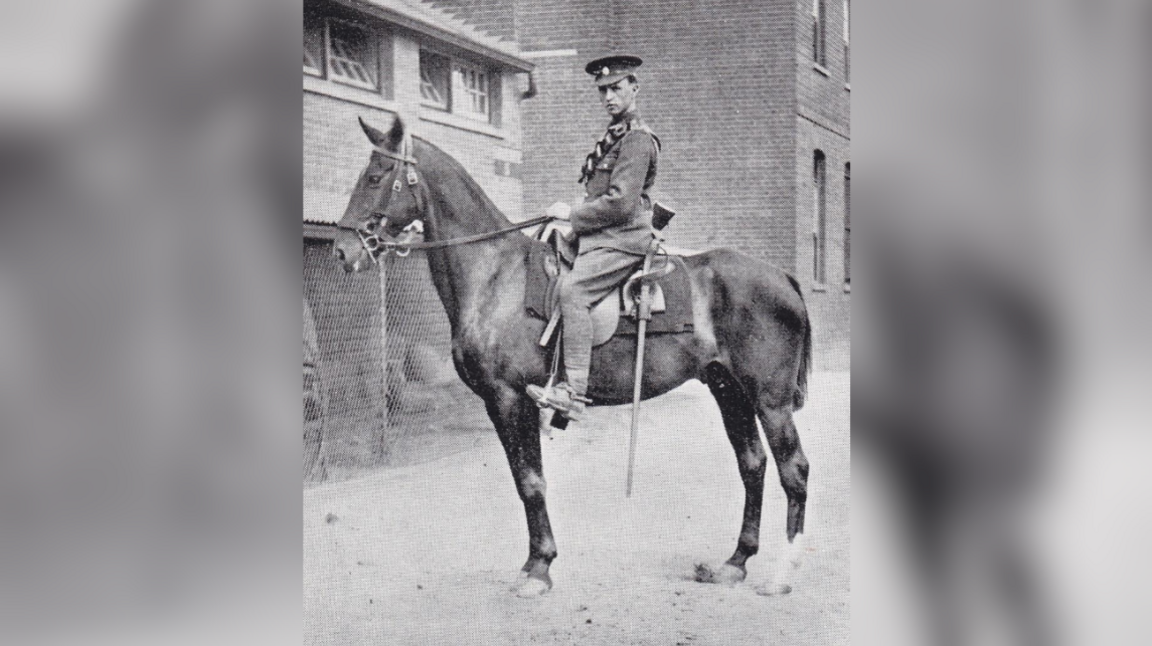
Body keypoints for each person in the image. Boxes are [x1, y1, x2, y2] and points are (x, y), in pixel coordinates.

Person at [527, 55, 661, 421]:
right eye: (603, 90)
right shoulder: (615, 135)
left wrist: (572, 214)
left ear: (634, 87)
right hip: (599, 235)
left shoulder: (636, 139)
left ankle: (573, 391)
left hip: (622, 239)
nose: (608, 97)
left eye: (616, 88)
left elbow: (620, 203)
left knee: (574, 292)